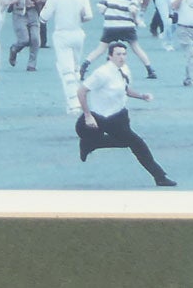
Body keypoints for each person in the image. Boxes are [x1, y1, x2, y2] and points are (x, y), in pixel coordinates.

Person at [75, 40, 177, 187]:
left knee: (127, 142)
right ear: (110, 56)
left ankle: (91, 144)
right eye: (118, 54)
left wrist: (141, 96)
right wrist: (87, 115)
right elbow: (81, 91)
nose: (121, 57)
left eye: (124, 54)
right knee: (137, 144)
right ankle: (159, 176)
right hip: (100, 118)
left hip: (120, 117)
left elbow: (126, 89)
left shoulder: (125, 70)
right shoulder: (102, 73)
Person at [43, 0, 94, 112]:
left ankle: (74, 103)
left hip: (62, 34)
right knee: (76, 68)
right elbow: (88, 16)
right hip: (78, 33)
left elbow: (44, 16)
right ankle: (78, 99)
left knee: (67, 71)